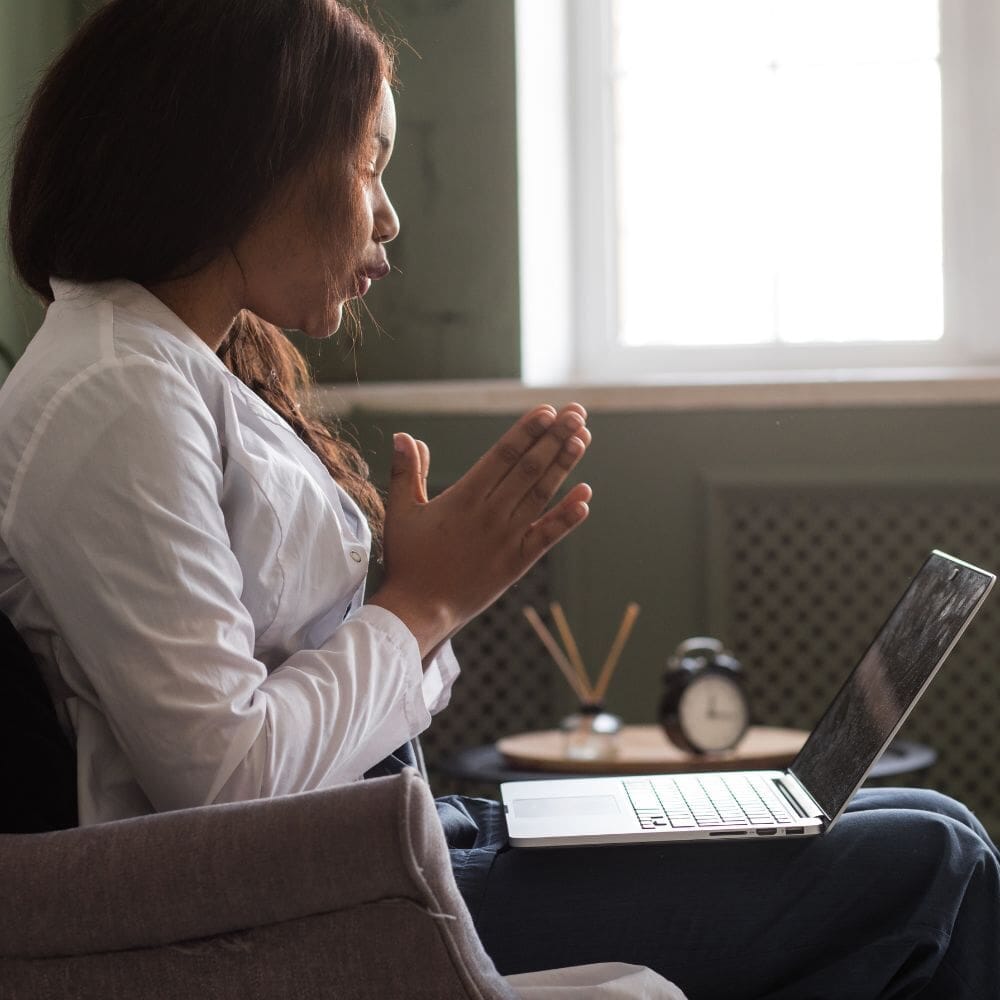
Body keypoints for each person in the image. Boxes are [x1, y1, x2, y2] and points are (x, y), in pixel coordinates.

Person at [0, 2, 996, 997]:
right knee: (931, 863)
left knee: (942, 827)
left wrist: (419, 608)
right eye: (368, 161)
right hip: (287, 912)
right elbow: (225, 786)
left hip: (383, 846)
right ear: (248, 155)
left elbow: (334, 700)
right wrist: (421, 604)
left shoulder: (177, 369)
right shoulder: (113, 391)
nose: (388, 213)